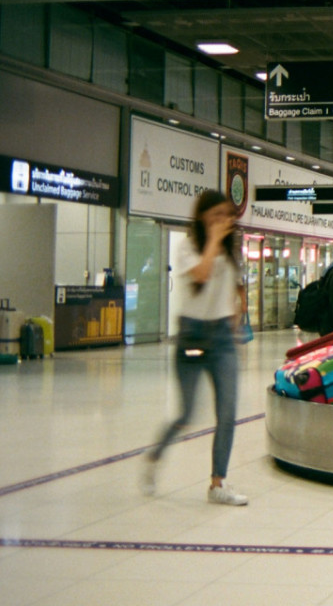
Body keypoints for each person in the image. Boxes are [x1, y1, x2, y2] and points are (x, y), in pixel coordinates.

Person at [142, 190, 248, 506]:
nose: (223, 222)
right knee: (187, 413)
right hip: (192, 339)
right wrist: (214, 239)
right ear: (202, 217)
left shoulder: (230, 252)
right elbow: (201, 274)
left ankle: (218, 484)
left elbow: (231, 292)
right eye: (216, 215)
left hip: (222, 341)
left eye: (226, 216)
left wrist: (235, 329)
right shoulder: (186, 247)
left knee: (228, 413)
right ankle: (155, 457)